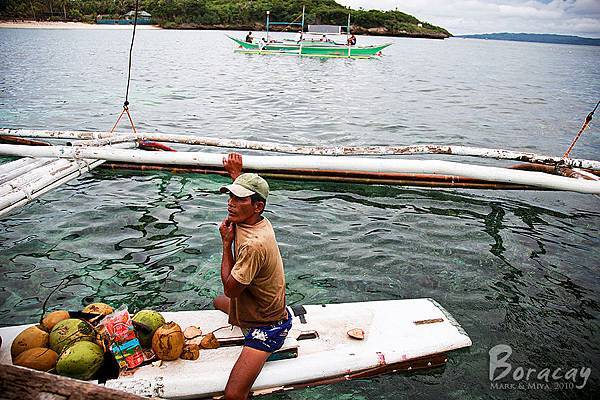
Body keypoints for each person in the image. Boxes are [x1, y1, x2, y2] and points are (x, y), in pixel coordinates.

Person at [214, 153, 291, 400]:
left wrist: (226, 245)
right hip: (259, 305)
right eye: (230, 196)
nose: (230, 204)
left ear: (257, 206)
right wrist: (237, 174)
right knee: (216, 303)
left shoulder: (253, 245)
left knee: (233, 395)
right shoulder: (257, 219)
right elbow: (251, 196)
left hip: (268, 325)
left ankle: (265, 341)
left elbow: (230, 290)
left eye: (238, 199)